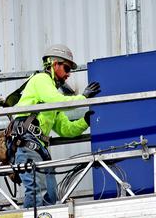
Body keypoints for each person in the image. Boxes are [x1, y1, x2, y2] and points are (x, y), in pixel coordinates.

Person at [11, 44, 100, 208]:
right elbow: (58, 101)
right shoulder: (41, 80)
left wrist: (85, 121)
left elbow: (65, 129)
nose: (68, 74)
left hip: (40, 149)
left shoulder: (51, 97)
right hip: (27, 146)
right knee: (36, 191)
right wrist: (83, 97)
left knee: (51, 195)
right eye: (66, 68)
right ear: (54, 64)